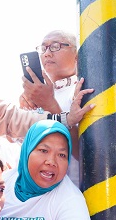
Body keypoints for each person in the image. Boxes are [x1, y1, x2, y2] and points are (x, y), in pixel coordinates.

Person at [20, 30, 84, 184]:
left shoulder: (82, 90)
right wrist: (22, 109)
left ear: (77, 55)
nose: (47, 53)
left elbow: (84, 152)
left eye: (55, 46)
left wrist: (49, 104)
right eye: (43, 48)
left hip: (69, 191)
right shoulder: (38, 93)